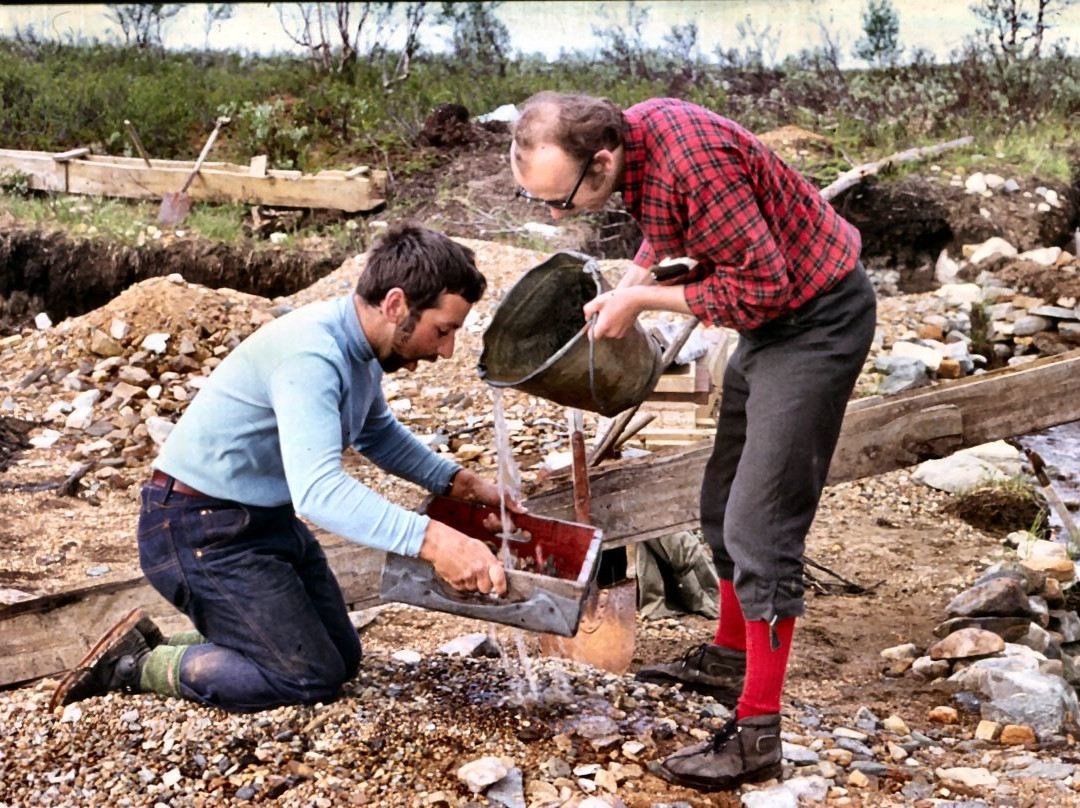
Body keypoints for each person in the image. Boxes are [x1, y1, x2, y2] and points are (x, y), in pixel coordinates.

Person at [510, 93, 876, 791]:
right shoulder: (642, 141)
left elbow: (763, 288)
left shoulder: (693, 162)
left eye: (562, 200)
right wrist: (631, 279)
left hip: (818, 320)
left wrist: (641, 301)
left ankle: (758, 735)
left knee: (761, 529)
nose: (559, 214)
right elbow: (666, 228)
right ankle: (731, 656)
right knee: (719, 501)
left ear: (603, 161)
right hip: (773, 328)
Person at [52, 223, 520, 714]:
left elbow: (376, 433)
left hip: (261, 521)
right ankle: (134, 667)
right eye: (443, 330)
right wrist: (436, 542)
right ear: (396, 305)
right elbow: (318, 490)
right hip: (196, 530)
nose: (446, 351)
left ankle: (185, 640)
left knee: (342, 656)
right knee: (307, 677)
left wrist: (464, 485)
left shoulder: (360, 349)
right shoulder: (312, 354)